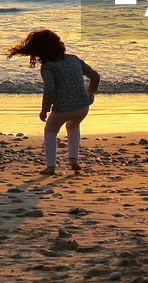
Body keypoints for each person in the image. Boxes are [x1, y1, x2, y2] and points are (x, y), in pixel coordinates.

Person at [7, 29, 99, 175]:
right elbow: (95, 76)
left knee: (50, 131)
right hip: (83, 106)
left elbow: (49, 88)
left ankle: (51, 167)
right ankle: (73, 159)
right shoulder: (73, 59)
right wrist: (90, 92)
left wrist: (45, 109)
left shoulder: (48, 67)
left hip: (62, 108)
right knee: (73, 127)